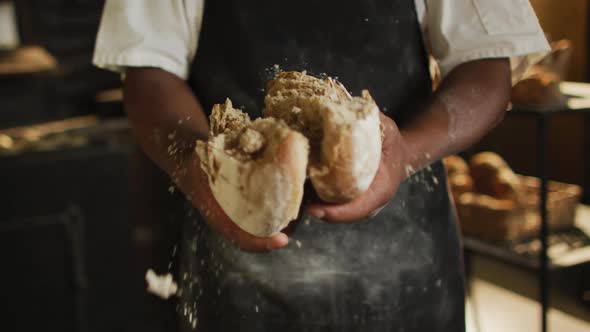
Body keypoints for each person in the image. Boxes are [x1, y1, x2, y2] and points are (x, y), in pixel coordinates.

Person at [94, 1, 549, 331]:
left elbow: (487, 61)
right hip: (236, 271)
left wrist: (405, 153)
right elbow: (147, 69)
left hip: (408, 267)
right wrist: (198, 169)